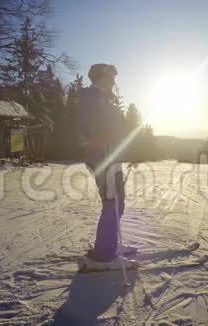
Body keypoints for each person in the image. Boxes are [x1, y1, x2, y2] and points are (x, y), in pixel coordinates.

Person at [77, 63, 138, 270]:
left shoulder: (102, 100)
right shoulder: (92, 99)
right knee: (113, 203)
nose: (114, 81)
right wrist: (103, 145)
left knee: (116, 203)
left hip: (111, 157)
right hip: (103, 159)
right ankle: (104, 256)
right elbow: (89, 131)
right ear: (100, 78)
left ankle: (109, 244)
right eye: (110, 76)